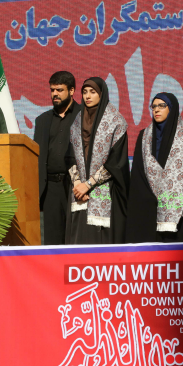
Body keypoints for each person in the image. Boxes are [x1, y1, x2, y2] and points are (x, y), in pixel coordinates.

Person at [65, 77, 129, 244]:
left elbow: (116, 161)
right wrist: (78, 183)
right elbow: (70, 155)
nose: (88, 96)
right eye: (85, 92)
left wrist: (88, 184)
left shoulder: (116, 121)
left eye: (93, 92)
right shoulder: (77, 120)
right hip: (79, 193)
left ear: (102, 94)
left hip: (105, 190)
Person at [126, 93, 183, 243]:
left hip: (178, 211)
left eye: (162, 106)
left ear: (172, 108)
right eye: (154, 106)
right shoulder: (144, 136)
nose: (156, 110)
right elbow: (138, 172)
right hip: (148, 206)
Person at [34, 71, 82, 245]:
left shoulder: (84, 115)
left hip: (76, 186)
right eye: (52, 90)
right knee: (52, 239)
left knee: (76, 237)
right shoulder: (42, 120)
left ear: (72, 91)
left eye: (59, 90)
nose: (54, 94)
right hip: (51, 188)